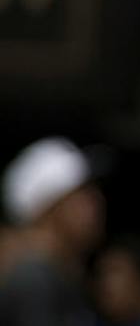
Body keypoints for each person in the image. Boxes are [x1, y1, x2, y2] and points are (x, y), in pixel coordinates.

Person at [0, 137, 105, 326]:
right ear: (48, 210)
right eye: (81, 194)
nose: (96, 202)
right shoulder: (33, 280)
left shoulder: (64, 275)